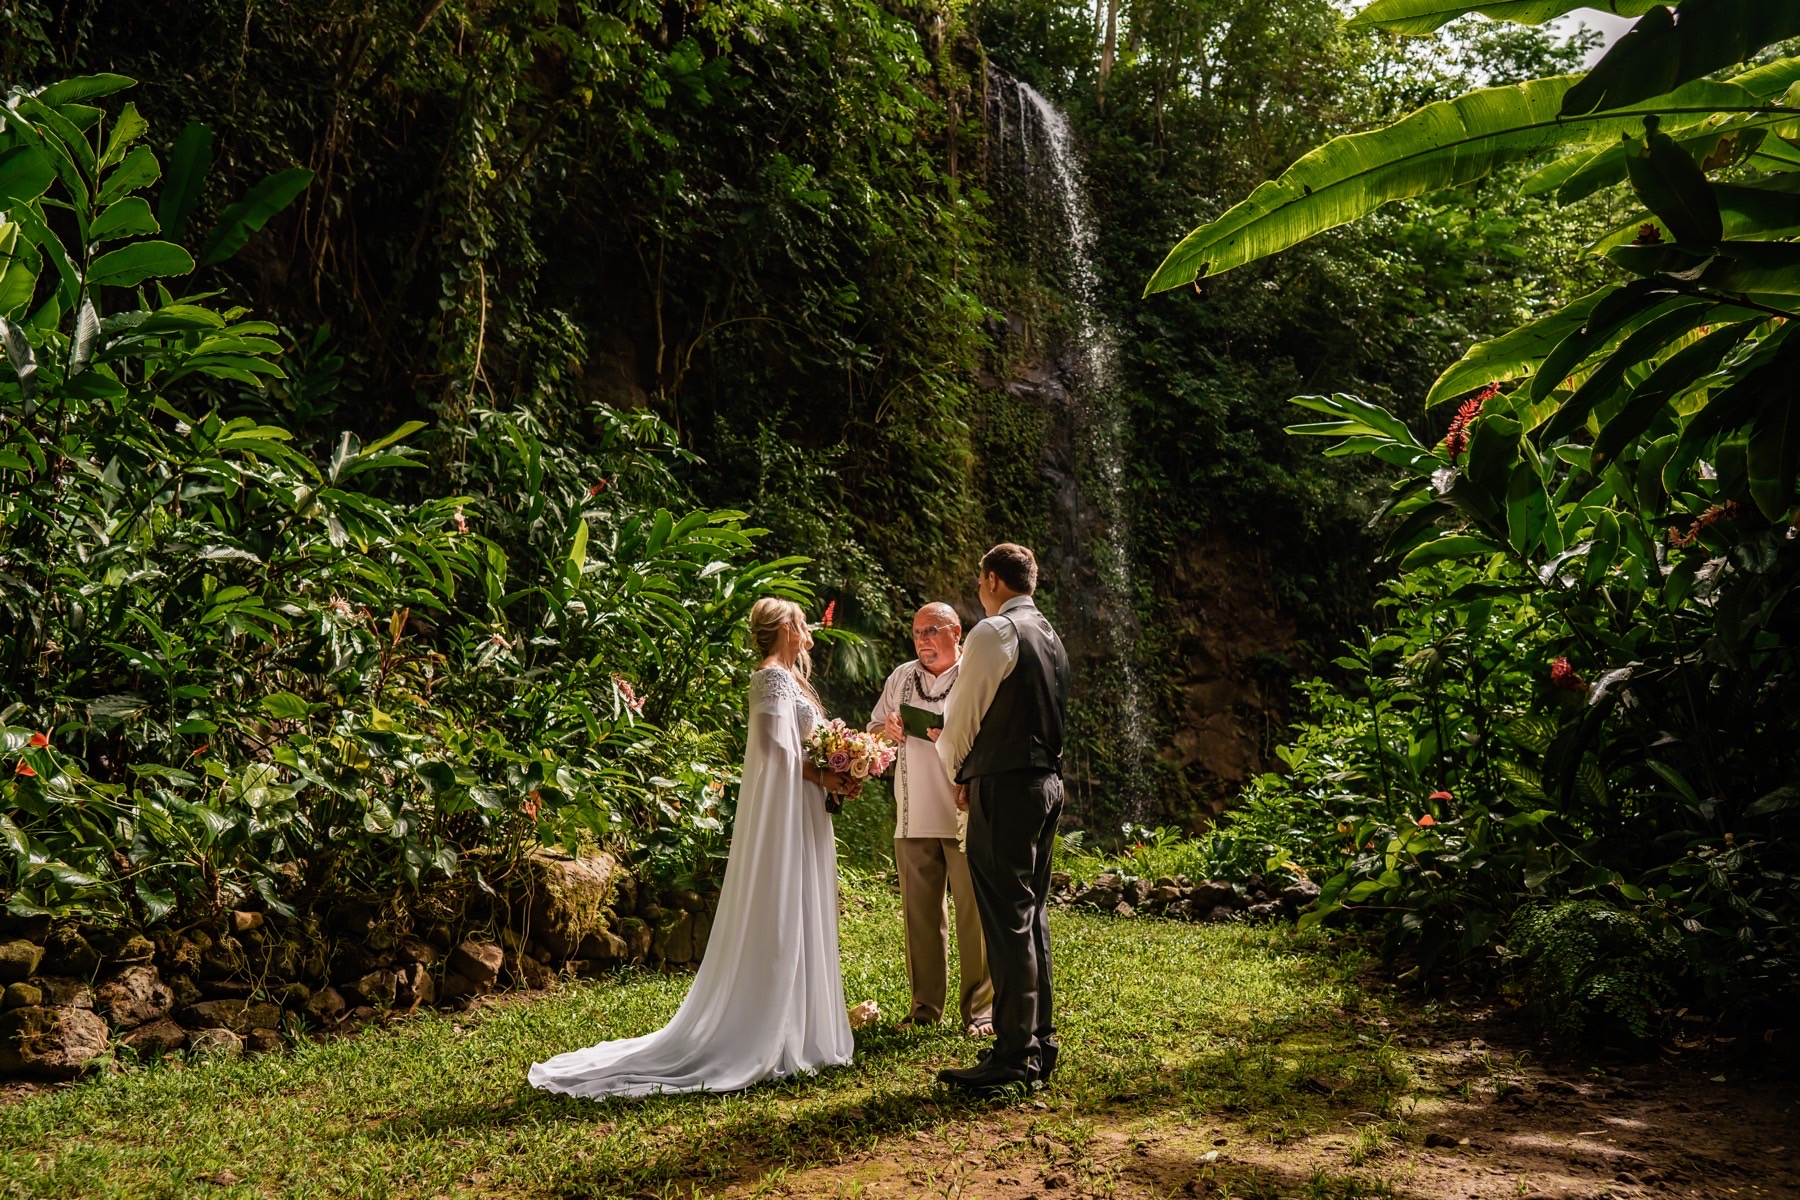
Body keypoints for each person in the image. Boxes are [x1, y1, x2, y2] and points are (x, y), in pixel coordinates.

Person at [528, 597, 856, 1098]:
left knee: (805, 906)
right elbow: (774, 750)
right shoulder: (770, 676)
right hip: (789, 808)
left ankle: (802, 1027)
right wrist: (823, 774)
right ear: (783, 628)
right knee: (783, 909)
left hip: (806, 805)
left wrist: (844, 767)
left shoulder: (792, 680)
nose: (807, 627)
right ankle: (768, 1031)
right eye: (801, 621)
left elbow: (800, 745)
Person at [933, 543, 1070, 1093]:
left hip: (1007, 786)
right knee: (1030, 913)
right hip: (1045, 783)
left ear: (991, 579)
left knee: (1007, 917)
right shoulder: (1052, 636)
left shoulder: (994, 632)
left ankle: (1013, 1055)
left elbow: (963, 713)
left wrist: (959, 772)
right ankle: (1038, 1042)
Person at [868, 602, 994, 1038]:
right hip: (913, 814)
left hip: (962, 814)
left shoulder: (976, 674)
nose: (922, 639)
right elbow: (871, 733)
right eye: (917, 631)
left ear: (956, 632)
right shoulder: (901, 677)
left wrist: (954, 738)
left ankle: (980, 1012)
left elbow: (995, 736)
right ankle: (925, 1008)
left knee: (974, 917)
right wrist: (887, 728)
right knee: (919, 917)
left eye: (932, 630)